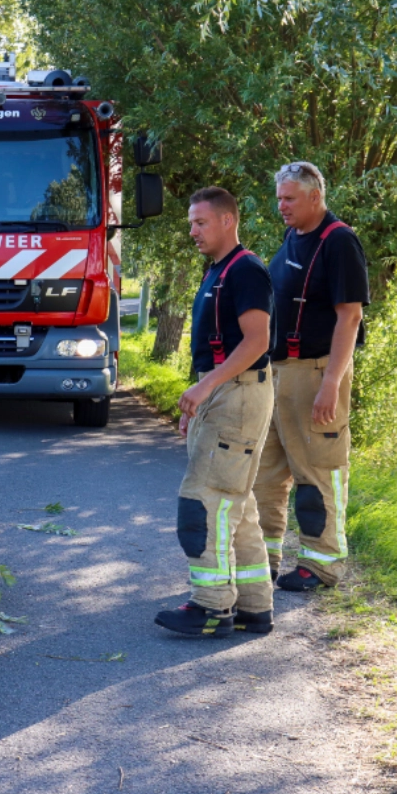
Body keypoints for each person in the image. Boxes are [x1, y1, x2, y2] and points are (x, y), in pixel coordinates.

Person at [155, 187, 276, 638]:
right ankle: (253, 607)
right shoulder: (218, 271)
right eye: (191, 223)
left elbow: (257, 342)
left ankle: (211, 607)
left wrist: (207, 385)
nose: (192, 231)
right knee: (235, 506)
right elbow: (212, 345)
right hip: (225, 396)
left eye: (200, 223)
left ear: (228, 221)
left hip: (238, 395)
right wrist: (200, 398)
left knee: (203, 502)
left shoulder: (245, 270)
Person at [254, 162, 369, 591]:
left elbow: (350, 317)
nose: (281, 206)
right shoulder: (293, 236)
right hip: (278, 372)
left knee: (318, 472)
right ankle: (259, 560)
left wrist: (330, 384)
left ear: (315, 198)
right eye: (279, 197)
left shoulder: (339, 241)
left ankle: (321, 566)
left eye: (289, 199)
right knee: (265, 473)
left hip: (317, 371)